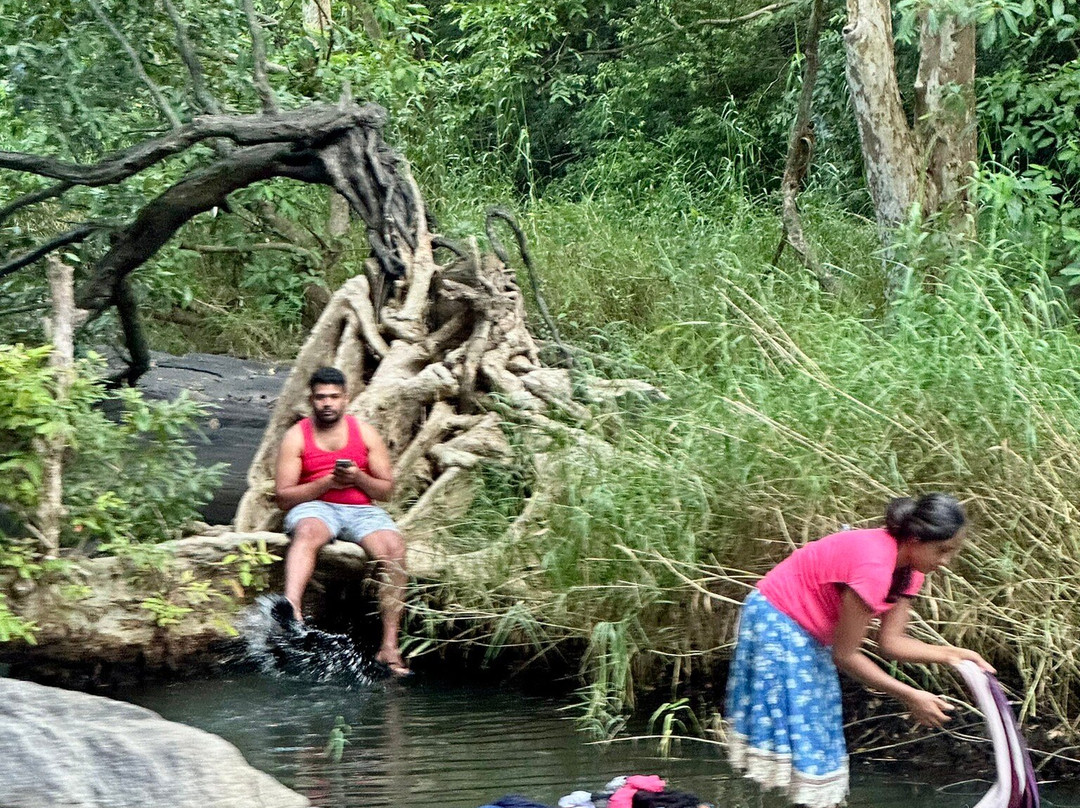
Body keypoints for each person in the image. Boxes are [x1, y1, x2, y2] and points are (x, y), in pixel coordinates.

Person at [724, 493, 994, 808]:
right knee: (803, 727)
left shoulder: (911, 569)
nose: (945, 561)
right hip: (777, 619)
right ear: (915, 539)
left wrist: (952, 654)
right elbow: (846, 654)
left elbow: (891, 642)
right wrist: (909, 695)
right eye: (942, 550)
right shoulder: (874, 564)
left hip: (807, 631)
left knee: (818, 731)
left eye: (952, 552)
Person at [274, 365, 410, 676]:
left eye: (334, 397)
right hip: (315, 506)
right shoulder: (297, 436)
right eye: (321, 397)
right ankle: (291, 612)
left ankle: (389, 647)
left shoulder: (364, 433)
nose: (327, 403)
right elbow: (283, 497)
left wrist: (358, 477)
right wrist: (326, 483)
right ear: (311, 400)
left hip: (362, 510)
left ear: (346, 399)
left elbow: (387, 490)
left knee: (394, 547)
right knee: (307, 531)